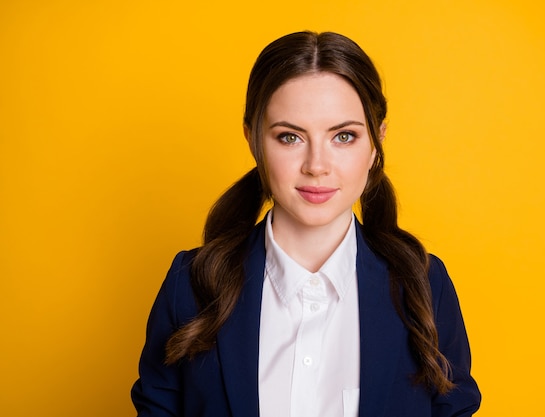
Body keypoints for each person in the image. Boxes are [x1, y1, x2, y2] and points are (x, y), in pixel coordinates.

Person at [131, 31, 481, 417]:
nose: (316, 165)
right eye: (290, 137)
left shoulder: (425, 286)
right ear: (253, 140)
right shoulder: (190, 285)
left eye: (344, 136)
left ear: (377, 142)